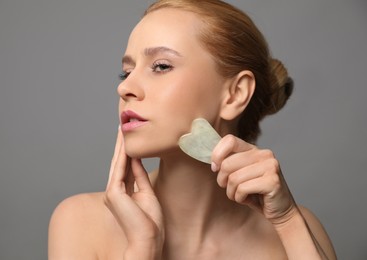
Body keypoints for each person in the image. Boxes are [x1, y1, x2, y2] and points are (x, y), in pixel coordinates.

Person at [48, 0, 337, 259]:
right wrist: (143, 249)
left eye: (160, 66)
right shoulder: (80, 223)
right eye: (126, 71)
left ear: (235, 94)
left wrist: (288, 222)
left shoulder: (298, 229)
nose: (124, 87)